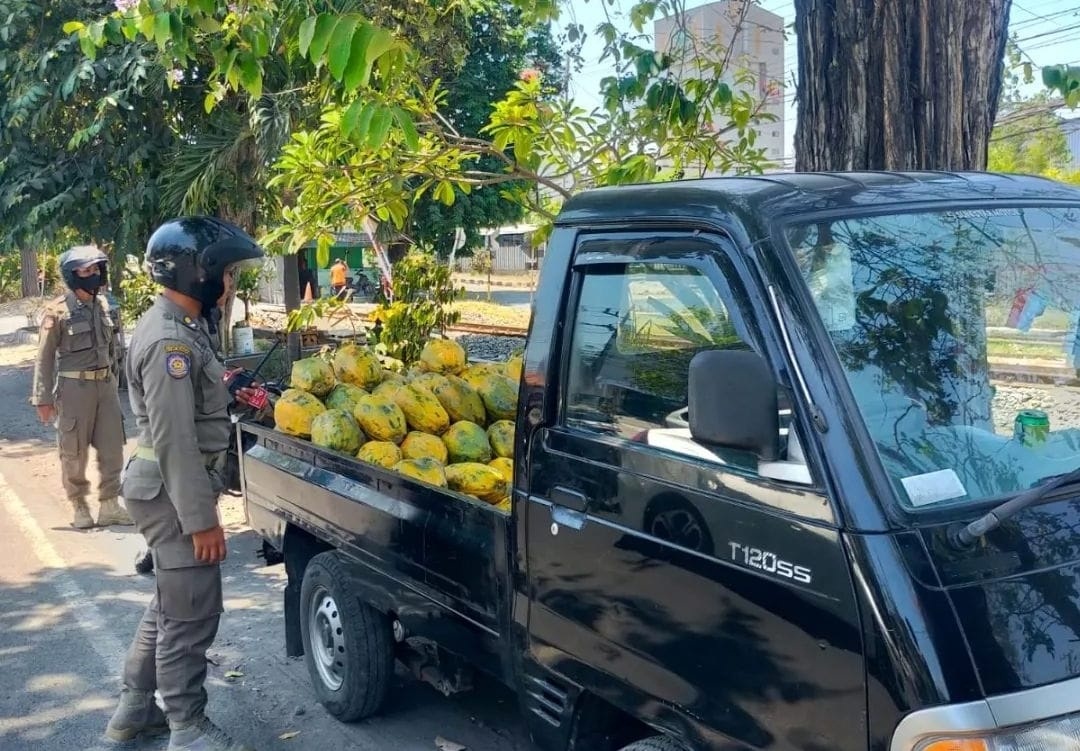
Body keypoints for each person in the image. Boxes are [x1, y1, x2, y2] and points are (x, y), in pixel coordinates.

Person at [105, 217, 264, 751]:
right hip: (173, 493)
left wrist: (226, 387)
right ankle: (187, 728)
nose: (231, 283)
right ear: (201, 272)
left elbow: (193, 401)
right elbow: (174, 438)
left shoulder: (183, 325)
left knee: (170, 602)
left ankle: (133, 712)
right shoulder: (170, 338)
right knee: (192, 612)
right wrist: (201, 521)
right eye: (227, 272)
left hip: (163, 486)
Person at [30, 246, 133, 529]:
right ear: (72, 275)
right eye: (86, 271)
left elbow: (114, 350)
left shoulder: (102, 306)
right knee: (73, 451)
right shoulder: (57, 312)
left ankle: (110, 505)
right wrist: (42, 397)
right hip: (74, 388)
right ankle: (79, 506)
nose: (93, 275)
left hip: (106, 387)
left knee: (112, 448)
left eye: (96, 270)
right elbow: (45, 357)